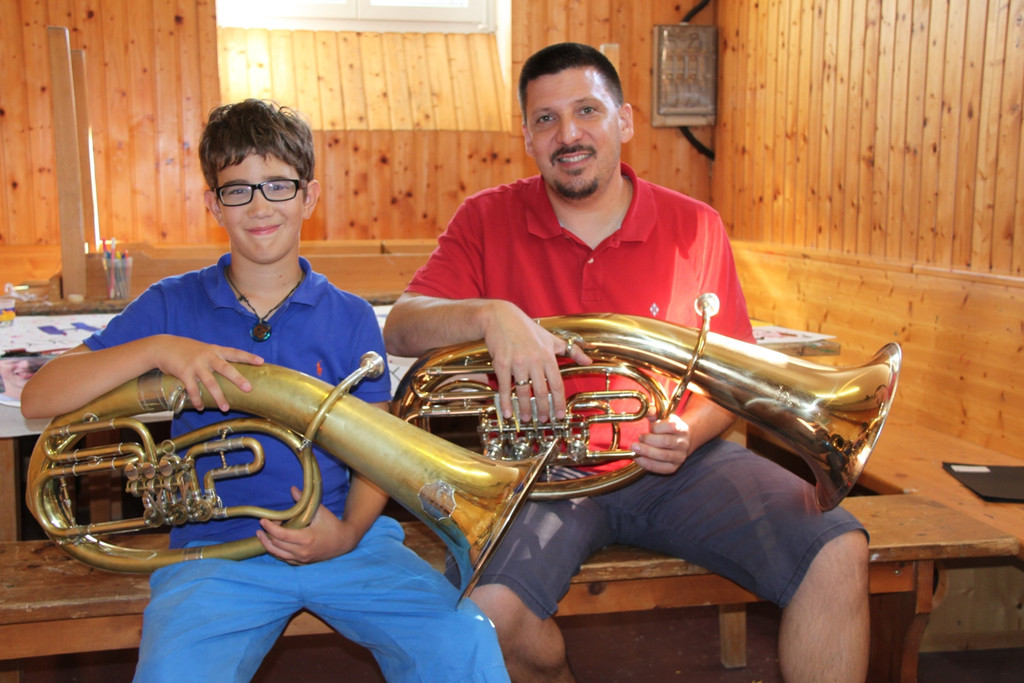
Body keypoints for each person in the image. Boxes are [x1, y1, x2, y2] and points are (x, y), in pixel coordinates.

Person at [383, 43, 869, 683]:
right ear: (527, 135)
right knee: (489, 624)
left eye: (587, 110)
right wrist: (491, 314)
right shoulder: (485, 218)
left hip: (679, 465)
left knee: (838, 548)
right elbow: (403, 322)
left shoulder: (695, 226)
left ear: (625, 121)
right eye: (547, 119)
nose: (569, 133)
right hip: (537, 473)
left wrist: (687, 433)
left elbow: (732, 379)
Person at [21, 99, 508, 683]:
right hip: (214, 555)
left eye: (278, 186)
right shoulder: (171, 305)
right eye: (238, 190)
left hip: (344, 539)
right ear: (212, 204)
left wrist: (347, 532)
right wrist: (159, 350)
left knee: (462, 644)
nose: (259, 206)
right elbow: (38, 399)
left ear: (309, 196)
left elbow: (380, 448)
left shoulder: (350, 316)